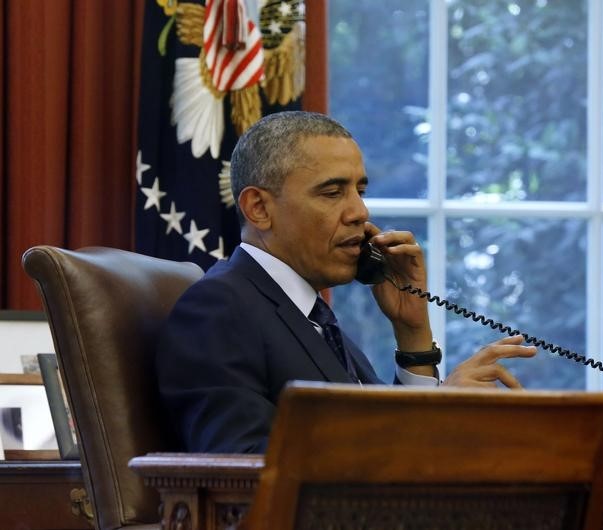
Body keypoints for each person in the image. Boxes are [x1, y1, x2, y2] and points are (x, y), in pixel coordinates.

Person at [156, 111, 537, 454]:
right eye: (333, 192)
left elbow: (382, 443)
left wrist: (412, 332)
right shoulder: (218, 309)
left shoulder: (310, 313)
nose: (360, 212)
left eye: (361, 191)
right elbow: (245, 468)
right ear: (259, 208)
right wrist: (434, 414)